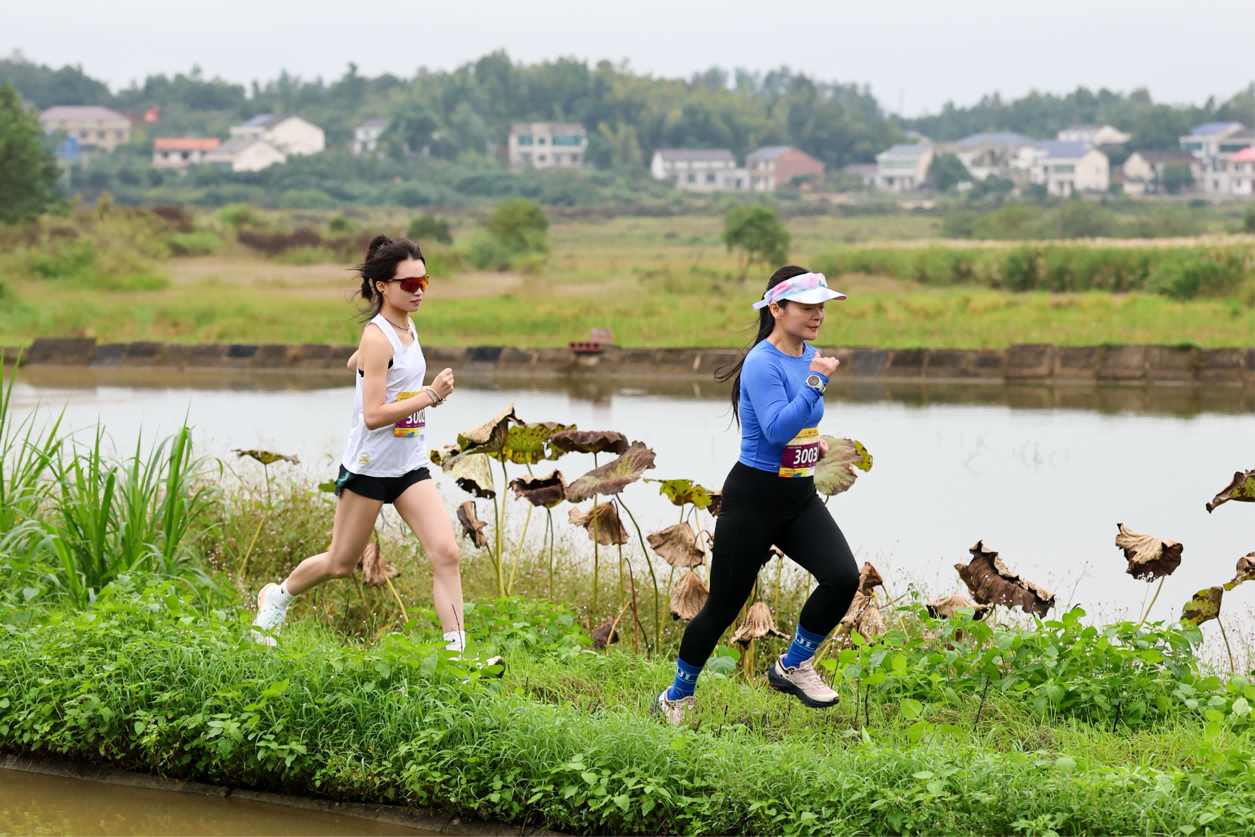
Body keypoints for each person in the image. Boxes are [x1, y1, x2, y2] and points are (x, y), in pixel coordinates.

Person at [655, 265, 861, 724]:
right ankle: (677, 697)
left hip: (798, 496)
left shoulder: (811, 354)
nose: (817, 315)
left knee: (843, 576)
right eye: (807, 306)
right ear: (776, 308)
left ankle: (793, 665)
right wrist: (816, 382)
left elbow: (796, 424)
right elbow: (772, 430)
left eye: (821, 307)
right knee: (725, 605)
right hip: (753, 498)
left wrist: (814, 441)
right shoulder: (762, 362)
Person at [252, 235, 470, 653]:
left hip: (408, 466)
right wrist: (432, 395)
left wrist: (365, 363)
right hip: (369, 467)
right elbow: (372, 414)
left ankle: (457, 660)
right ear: (383, 286)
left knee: (446, 552)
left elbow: (369, 365)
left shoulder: (404, 325)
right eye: (409, 285)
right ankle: (275, 598)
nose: (419, 291)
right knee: (340, 563)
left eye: (424, 281)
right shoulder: (378, 336)